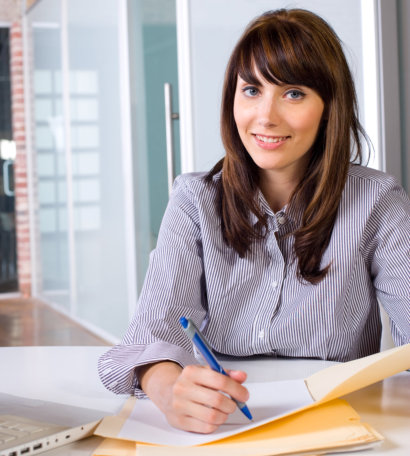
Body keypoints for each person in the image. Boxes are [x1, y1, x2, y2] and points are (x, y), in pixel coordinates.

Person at [99, 8, 410, 434]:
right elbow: (150, 334)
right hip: (224, 417)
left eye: (294, 93)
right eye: (251, 90)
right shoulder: (195, 199)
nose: (266, 117)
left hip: (340, 419)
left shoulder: (377, 200)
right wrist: (168, 387)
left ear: (329, 107)